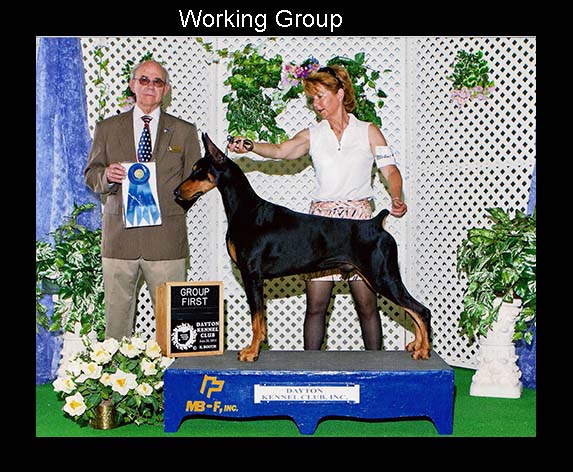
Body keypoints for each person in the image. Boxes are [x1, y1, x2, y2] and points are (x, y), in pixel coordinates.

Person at [229, 64, 407, 351]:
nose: (316, 104)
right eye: (312, 99)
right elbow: (281, 151)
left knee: (367, 304)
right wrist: (252, 146)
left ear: (340, 93)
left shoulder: (368, 131)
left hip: (358, 223)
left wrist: (396, 196)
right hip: (320, 226)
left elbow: (391, 171)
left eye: (321, 96)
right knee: (316, 305)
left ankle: (376, 367)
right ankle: (309, 367)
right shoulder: (313, 134)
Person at [84, 60, 202, 340]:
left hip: (166, 241)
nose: (150, 86)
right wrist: (107, 176)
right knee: (116, 325)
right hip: (119, 239)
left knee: (174, 327)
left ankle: (170, 369)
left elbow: (196, 182)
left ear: (166, 89)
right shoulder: (107, 128)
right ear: (132, 85)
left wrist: (171, 209)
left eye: (157, 82)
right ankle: (115, 367)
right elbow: (91, 174)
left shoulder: (184, 131)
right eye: (144, 80)